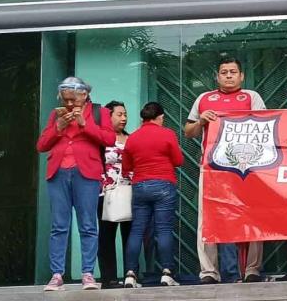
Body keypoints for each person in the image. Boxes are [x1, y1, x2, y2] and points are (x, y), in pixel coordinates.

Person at [184, 57, 267, 284]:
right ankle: (209, 272)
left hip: (247, 169)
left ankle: (252, 269)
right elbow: (188, 132)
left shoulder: (252, 97)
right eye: (224, 72)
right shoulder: (204, 98)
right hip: (212, 169)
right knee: (207, 219)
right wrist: (201, 121)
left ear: (242, 76)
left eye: (233, 72)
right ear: (217, 76)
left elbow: (265, 127)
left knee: (252, 217)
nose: (228, 75)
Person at [36, 77, 115, 291]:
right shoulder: (56, 114)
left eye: (73, 100)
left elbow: (109, 139)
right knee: (59, 226)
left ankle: (88, 274)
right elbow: (41, 145)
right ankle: (56, 274)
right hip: (58, 172)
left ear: (84, 95)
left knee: (88, 225)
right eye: (66, 100)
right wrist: (58, 127)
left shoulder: (100, 113)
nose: (69, 104)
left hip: (87, 172)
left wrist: (84, 124)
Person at [121, 102, 183, 287]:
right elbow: (178, 160)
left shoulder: (133, 138)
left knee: (137, 230)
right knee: (163, 229)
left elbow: (126, 167)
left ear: (143, 119)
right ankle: (166, 272)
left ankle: (130, 274)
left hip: (140, 186)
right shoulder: (167, 134)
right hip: (164, 184)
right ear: (160, 117)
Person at [96, 101, 132, 289]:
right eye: (119, 114)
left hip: (129, 192)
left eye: (125, 114)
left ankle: (130, 276)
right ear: (108, 117)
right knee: (107, 236)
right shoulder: (100, 141)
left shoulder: (132, 138)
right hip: (106, 193)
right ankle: (109, 279)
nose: (124, 118)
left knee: (130, 235)